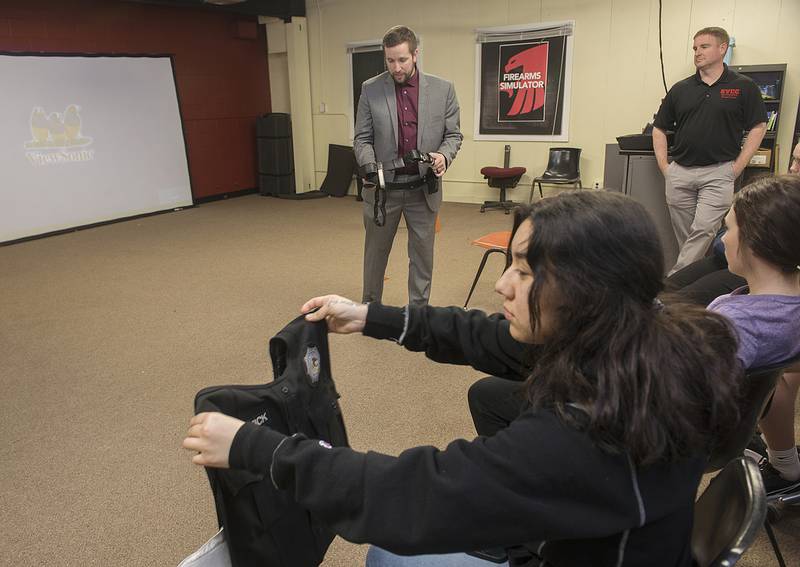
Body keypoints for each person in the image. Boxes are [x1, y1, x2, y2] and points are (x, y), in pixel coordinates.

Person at [183, 191, 742, 566]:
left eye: (524, 271)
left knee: (387, 552)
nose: (503, 286)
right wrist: (370, 316)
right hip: (604, 540)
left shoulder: (584, 430)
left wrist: (259, 447)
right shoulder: (641, 339)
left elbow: (411, 494)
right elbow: (482, 336)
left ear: (585, 288)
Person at [354, 25, 462, 306]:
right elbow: (362, 138)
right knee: (375, 255)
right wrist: (370, 167)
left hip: (422, 190)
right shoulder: (371, 89)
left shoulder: (443, 89)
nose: (396, 67)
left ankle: (418, 313)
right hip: (383, 191)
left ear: (415, 54)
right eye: (390, 60)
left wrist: (443, 156)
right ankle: (370, 308)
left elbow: (453, 135)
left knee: (422, 256)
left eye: (402, 59)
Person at [705, 175, 800, 493]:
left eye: (728, 229)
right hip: (745, 417)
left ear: (755, 240)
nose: (723, 240)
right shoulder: (788, 308)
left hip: (703, 443)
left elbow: (691, 394)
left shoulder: (736, 322)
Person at [653, 26, 766, 275]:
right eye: (695, 48)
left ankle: (672, 283)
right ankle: (697, 288)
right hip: (679, 173)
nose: (697, 52)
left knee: (703, 230)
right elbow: (659, 128)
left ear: (722, 48)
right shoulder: (681, 88)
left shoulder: (743, 87)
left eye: (704, 47)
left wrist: (736, 168)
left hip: (718, 173)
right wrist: (665, 167)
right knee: (689, 239)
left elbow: (758, 126)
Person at [665, 142, 800, 304]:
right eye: (793, 159)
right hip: (729, 259)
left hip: (758, 272)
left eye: (799, 162)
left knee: (675, 304)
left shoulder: (787, 202)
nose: (793, 168)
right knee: (662, 290)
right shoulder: (779, 193)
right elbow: (722, 241)